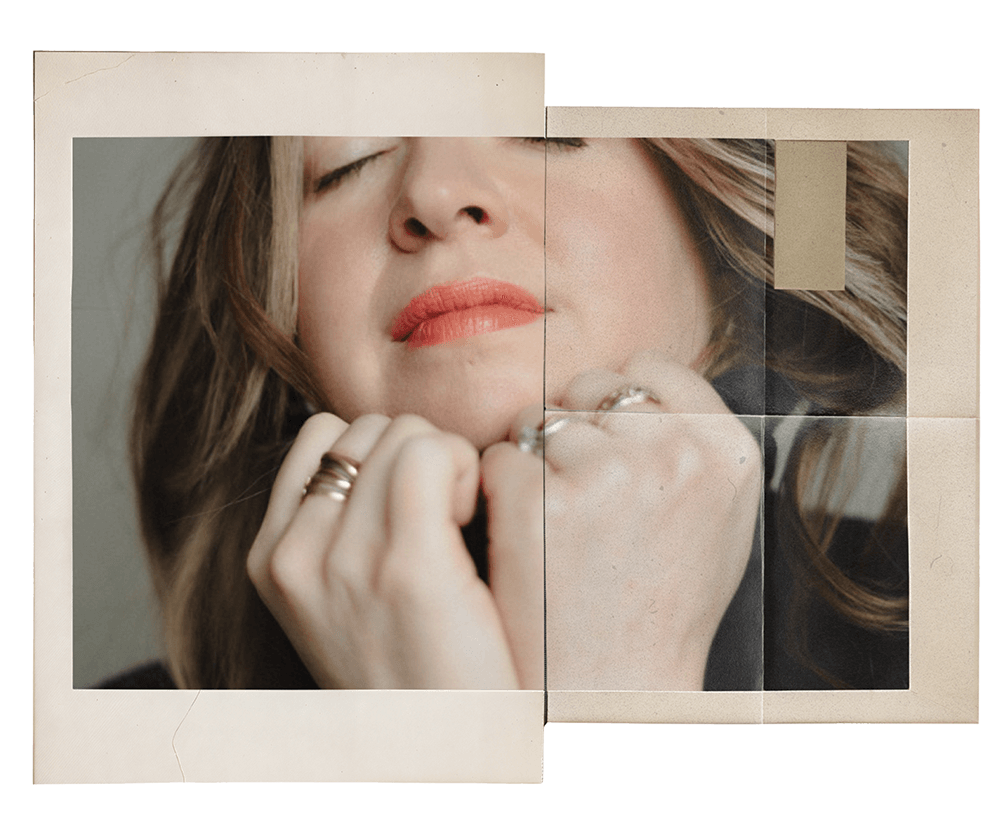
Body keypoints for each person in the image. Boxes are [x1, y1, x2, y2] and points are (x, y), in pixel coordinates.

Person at [117, 136, 908, 691]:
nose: (434, 195)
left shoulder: (942, 641)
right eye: (348, 161)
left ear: (727, 230)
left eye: (543, 128)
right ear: (281, 306)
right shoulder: (123, 733)